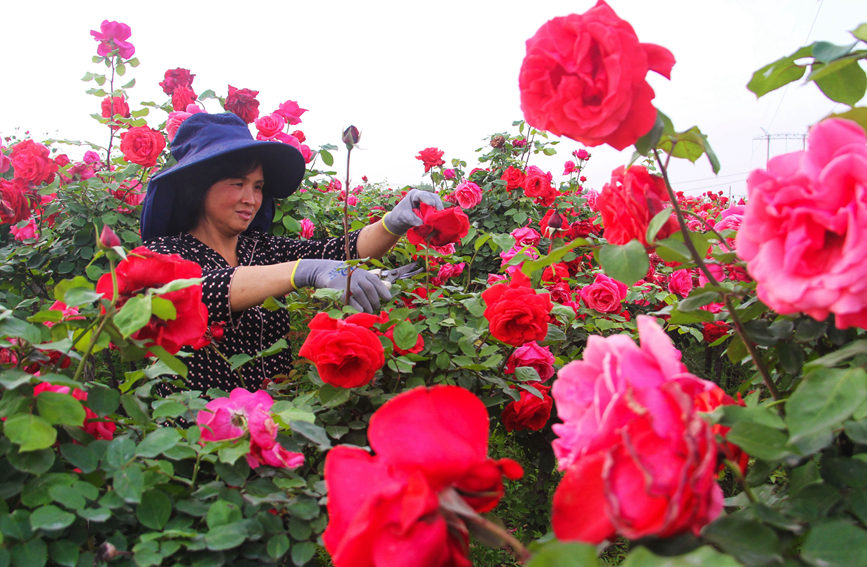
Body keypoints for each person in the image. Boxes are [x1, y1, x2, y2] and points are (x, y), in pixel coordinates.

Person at [140, 112, 442, 393]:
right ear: (199, 188)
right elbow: (201, 291)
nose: (251, 199)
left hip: (271, 426)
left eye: (258, 187)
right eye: (237, 184)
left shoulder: (260, 248)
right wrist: (305, 270)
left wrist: (392, 222)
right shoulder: (165, 253)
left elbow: (338, 251)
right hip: (195, 434)